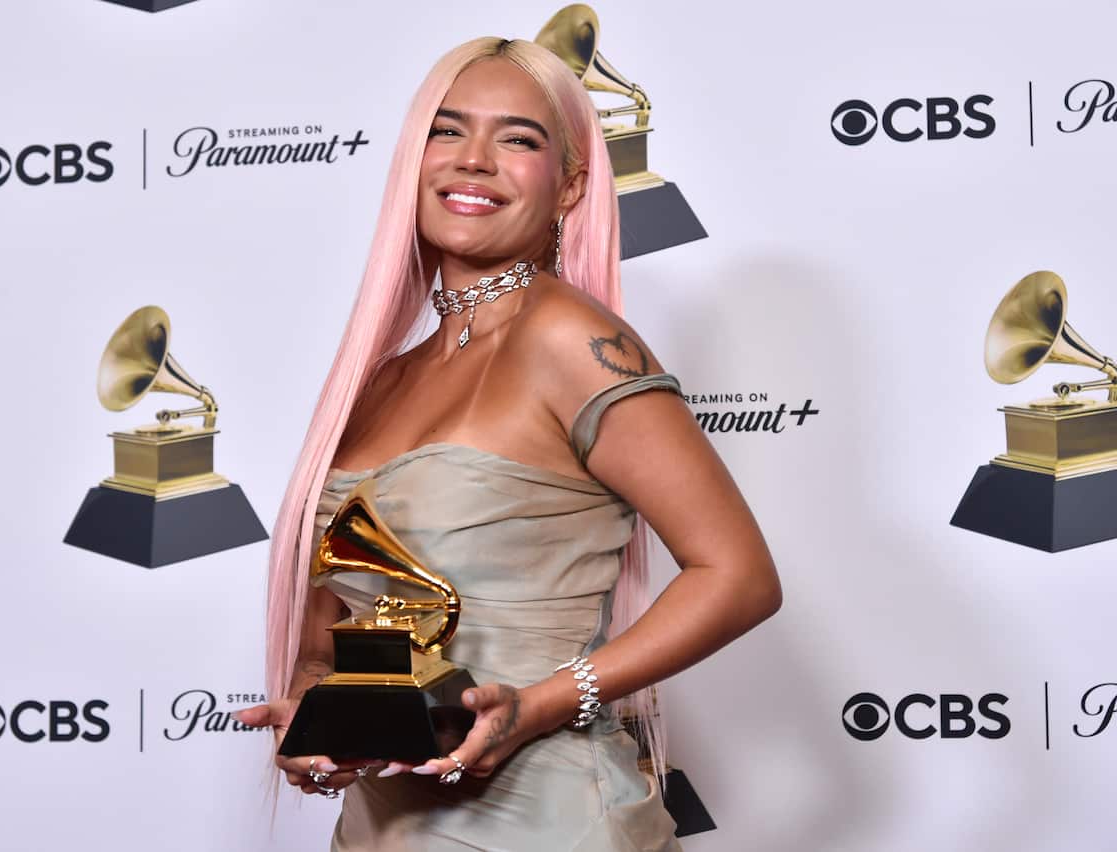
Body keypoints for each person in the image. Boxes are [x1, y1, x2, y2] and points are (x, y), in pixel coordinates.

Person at [233, 36, 782, 852]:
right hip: (382, 830)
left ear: (570, 186)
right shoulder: (377, 379)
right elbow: (323, 642)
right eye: (446, 132)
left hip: (551, 821)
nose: (474, 160)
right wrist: (316, 722)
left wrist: (541, 704)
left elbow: (739, 578)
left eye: (518, 139)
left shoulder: (570, 338)